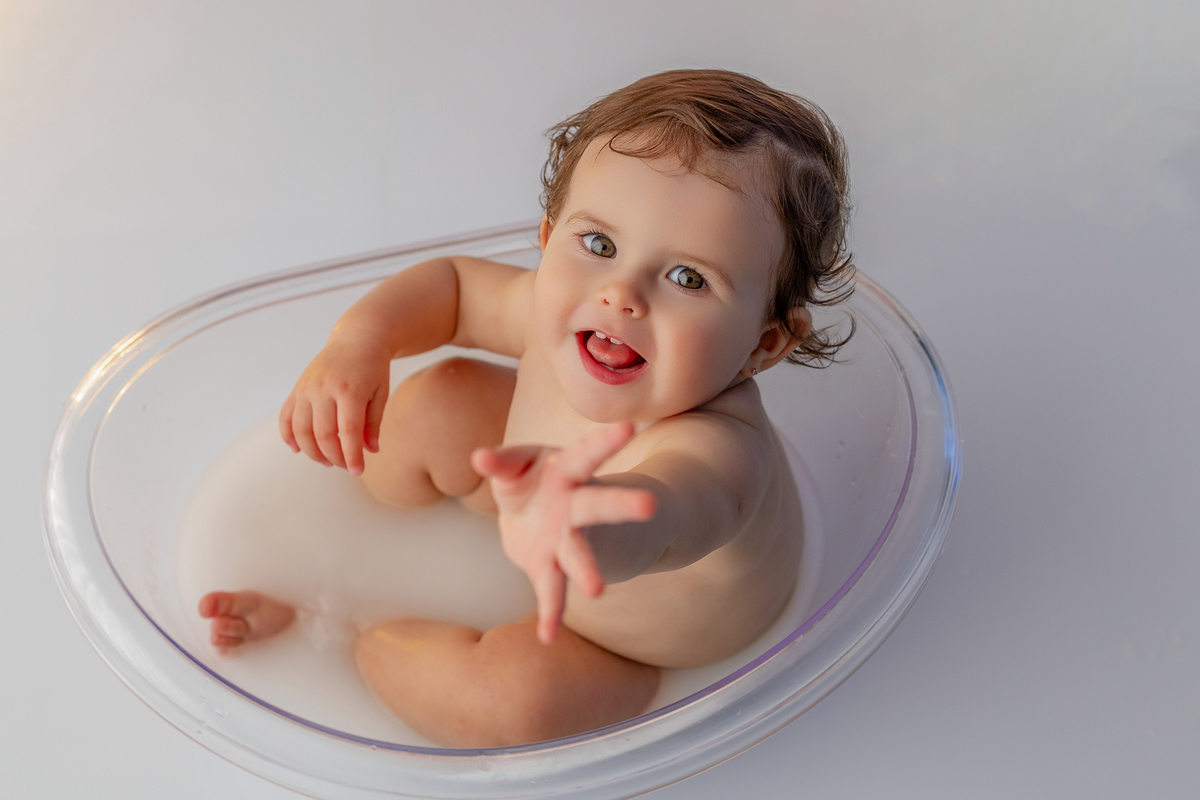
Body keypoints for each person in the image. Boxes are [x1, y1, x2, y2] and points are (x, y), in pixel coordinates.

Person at [199, 69, 854, 747]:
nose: (620, 294)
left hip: (618, 642)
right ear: (546, 238)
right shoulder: (562, 313)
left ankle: (339, 626)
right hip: (521, 497)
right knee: (439, 402)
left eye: (688, 277)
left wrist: (579, 521)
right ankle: (345, 530)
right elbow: (453, 286)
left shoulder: (722, 447)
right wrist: (360, 342)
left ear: (765, 343)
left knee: (515, 704)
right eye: (599, 244)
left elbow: (669, 512)